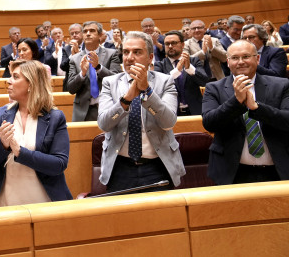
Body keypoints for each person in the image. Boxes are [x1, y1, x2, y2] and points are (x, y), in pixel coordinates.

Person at [97, 31, 184, 194]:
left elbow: (168, 122)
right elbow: (104, 124)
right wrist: (126, 100)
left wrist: (147, 91)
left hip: (158, 165)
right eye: (126, 52)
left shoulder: (165, 81)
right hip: (120, 167)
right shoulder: (110, 82)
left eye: (137, 52)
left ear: (150, 57)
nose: (129, 58)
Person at [0, 59, 72, 207]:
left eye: (15, 77)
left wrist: (20, 153)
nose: (8, 81)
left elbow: (59, 164)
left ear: (31, 83)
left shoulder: (55, 117)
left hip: (44, 202)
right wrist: (2, 146)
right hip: (2, 202)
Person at [202, 40, 289, 185]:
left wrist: (256, 108)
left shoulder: (282, 85)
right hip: (232, 172)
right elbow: (210, 123)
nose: (241, 62)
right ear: (228, 62)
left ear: (257, 59)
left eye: (246, 56)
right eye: (235, 58)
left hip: (278, 170)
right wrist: (236, 102)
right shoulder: (213, 88)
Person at [66, 21, 122, 122]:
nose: (88, 33)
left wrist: (98, 67)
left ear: (100, 35)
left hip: (108, 108)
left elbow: (118, 80)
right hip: (83, 112)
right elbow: (71, 88)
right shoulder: (74, 59)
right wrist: (82, 74)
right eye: (85, 31)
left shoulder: (112, 54)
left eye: (92, 31)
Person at [154, 31, 210, 115]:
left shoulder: (194, 61)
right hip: (170, 113)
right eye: (167, 44)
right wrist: (176, 71)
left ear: (183, 45)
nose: (170, 46)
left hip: (195, 110)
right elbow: (158, 86)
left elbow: (204, 81)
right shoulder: (159, 65)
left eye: (173, 43)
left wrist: (189, 68)